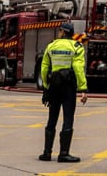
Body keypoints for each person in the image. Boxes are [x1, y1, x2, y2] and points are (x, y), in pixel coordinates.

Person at [40, 21, 88, 163]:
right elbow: (78, 68)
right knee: (68, 118)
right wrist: (83, 89)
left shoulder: (51, 45)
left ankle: (47, 153)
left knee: (52, 118)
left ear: (62, 31)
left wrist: (46, 87)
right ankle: (64, 154)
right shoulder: (76, 46)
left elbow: (44, 68)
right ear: (71, 33)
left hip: (54, 86)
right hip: (68, 86)